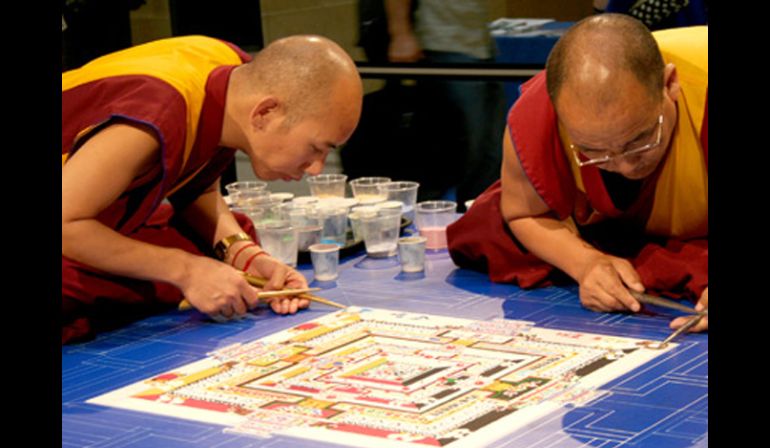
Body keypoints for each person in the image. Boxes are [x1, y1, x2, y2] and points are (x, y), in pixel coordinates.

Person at [62, 35, 363, 343]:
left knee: (233, 236)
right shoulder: (155, 114)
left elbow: (197, 189)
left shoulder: (232, 76)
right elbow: (65, 223)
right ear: (264, 113)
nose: (316, 168)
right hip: (70, 220)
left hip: (89, 211)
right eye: (315, 148)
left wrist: (245, 255)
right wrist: (186, 271)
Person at [446, 14, 708, 332]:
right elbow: (523, 213)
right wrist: (585, 263)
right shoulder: (539, 111)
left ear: (670, 84)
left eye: (640, 140)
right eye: (593, 151)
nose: (625, 166)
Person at [383, 0, 507, 204]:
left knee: (491, 149)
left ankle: (477, 216)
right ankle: (438, 214)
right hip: (444, 45)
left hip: (481, 46)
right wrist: (400, 33)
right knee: (463, 148)